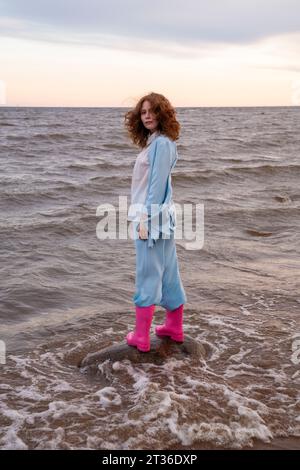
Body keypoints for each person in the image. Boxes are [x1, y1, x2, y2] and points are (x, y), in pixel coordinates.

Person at [124, 92, 187, 352]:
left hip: (152, 221)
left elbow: (156, 187)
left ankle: (141, 337)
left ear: (163, 113)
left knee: (148, 275)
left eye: (152, 111)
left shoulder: (161, 144)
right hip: (163, 220)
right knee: (169, 274)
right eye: (143, 112)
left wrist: (144, 219)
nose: (147, 116)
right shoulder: (158, 142)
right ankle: (174, 327)